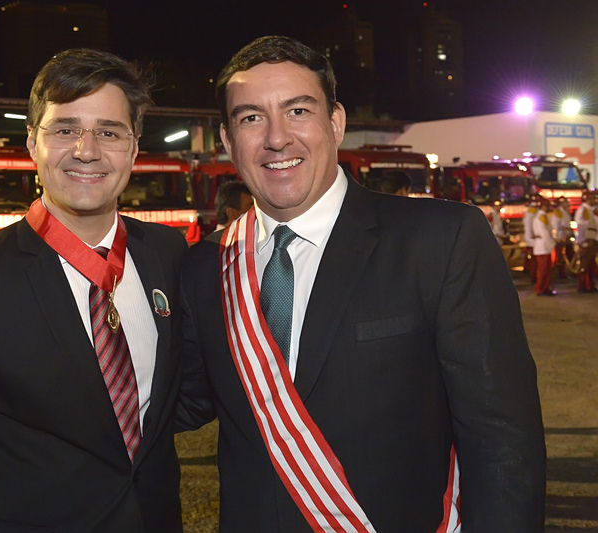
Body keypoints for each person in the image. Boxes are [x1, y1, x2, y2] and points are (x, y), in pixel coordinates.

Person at [177, 35, 545, 532]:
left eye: (298, 111)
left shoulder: (440, 239)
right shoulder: (205, 266)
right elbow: (181, 403)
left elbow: (502, 436)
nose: (277, 138)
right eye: (251, 118)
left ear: (336, 122)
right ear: (227, 140)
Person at [0, 48, 187, 532]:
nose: (86, 150)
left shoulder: (167, 254)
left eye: (109, 132)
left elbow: (183, 393)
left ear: (134, 148)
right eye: (65, 130)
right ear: (32, 143)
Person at [532, 197, 557, 296]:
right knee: (543, 270)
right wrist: (552, 244)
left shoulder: (543, 216)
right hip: (543, 246)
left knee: (546, 269)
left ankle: (545, 288)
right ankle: (540, 289)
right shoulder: (541, 217)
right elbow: (545, 232)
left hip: (544, 246)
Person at [574, 191, 598, 293]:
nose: (595, 200)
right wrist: (583, 240)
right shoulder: (584, 210)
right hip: (587, 239)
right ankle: (584, 285)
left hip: (591, 238)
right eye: (592, 198)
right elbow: (581, 225)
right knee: (585, 264)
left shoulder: (589, 210)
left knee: (590, 264)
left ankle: (589, 285)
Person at [552, 196, 573, 278]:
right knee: (560, 256)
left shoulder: (565, 212)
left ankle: (570, 272)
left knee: (570, 254)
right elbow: (556, 226)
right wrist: (565, 230)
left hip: (567, 236)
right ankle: (561, 273)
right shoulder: (558, 212)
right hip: (561, 237)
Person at [523, 195, 541, 283]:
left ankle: (533, 276)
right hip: (533, 239)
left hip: (532, 238)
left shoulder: (532, 212)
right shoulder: (532, 212)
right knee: (534, 261)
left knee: (533, 260)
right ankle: (533, 277)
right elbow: (529, 226)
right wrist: (531, 237)